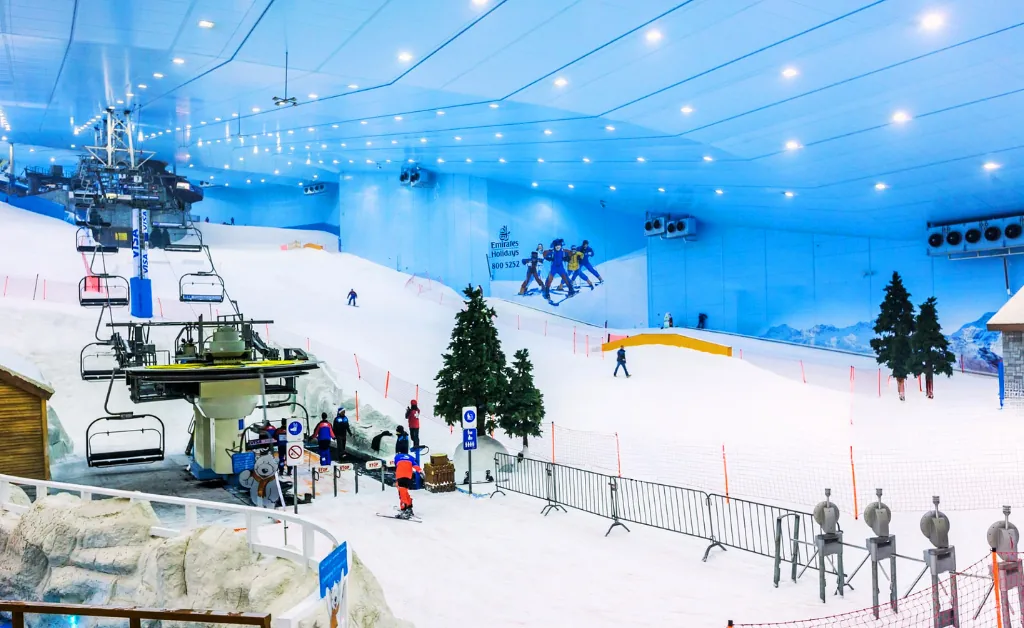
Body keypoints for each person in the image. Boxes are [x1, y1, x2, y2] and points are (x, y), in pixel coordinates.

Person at [393, 450, 422, 519]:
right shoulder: (411, 458)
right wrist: (420, 471)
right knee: (405, 492)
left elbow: (396, 465)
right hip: (408, 477)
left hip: (400, 476)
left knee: (402, 493)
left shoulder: (397, 457)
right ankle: (409, 508)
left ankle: (405, 510)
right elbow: (415, 465)